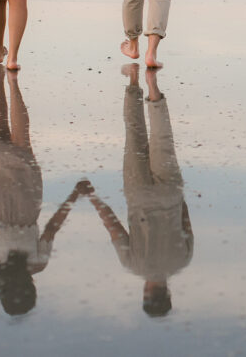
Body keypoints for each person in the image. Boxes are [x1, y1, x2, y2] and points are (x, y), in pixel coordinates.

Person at [0, 65, 92, 315]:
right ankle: (1, 80)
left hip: (27, 201)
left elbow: (52, 227)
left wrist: (75, 194)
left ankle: (13, 84)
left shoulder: (37, 264)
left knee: (22, 140)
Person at [82, 64, 193, 317]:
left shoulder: (183, 261)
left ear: (168, 293)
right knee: (134, 134)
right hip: (139, 197)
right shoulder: (134, 265)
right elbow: (113, 227)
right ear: (146, 293)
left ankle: (152, 87)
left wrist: (178, 196)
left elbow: (185, 222)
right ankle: (133, 82)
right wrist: (92, 197)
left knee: (163, 140)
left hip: (170, 196)